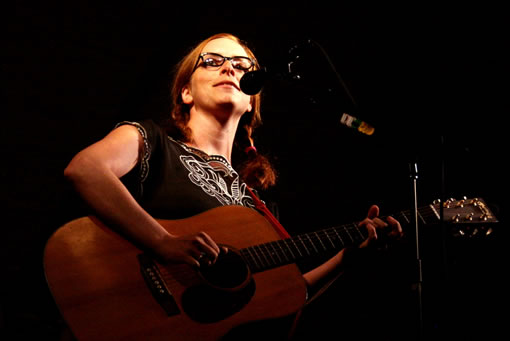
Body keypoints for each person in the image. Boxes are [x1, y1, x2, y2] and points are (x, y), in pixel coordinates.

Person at [64, 32, 403, 339]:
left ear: (252, 98)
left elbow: (283, 297)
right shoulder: (151, 139)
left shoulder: (258, 208)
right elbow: (86, 169)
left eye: (242, 66)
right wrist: (162, 241)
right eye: (212, 61)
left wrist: (345, 259)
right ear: (185, 92)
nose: (229, 69)